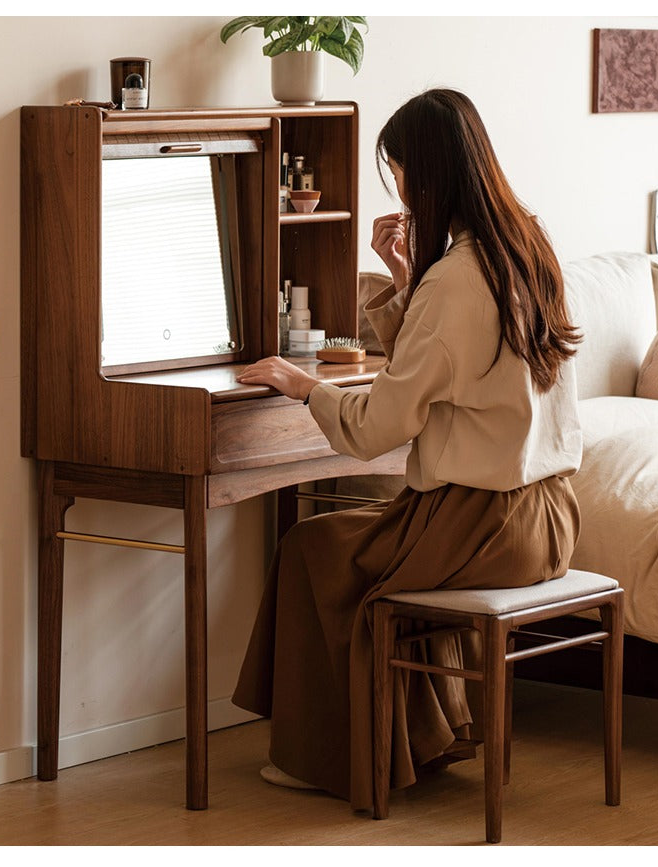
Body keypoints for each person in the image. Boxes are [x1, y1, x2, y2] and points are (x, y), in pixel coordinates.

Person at [232, 87, 583, 811]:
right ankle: (426, 736)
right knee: (369, 539)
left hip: (482, 523)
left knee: (313, 550)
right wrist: (403, 283)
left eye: (400, 175)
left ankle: (330, 757)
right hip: (549, 517)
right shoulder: (526, 247)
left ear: (428, 176)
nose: (401, 191)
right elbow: (449, 374)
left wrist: (303, 386)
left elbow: (375, 428)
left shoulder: (455, 280)